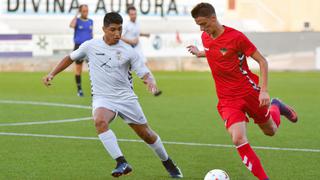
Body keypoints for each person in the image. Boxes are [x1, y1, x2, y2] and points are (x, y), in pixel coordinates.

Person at [43, 12, 182, 178]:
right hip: (103, 98)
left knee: (147, 135)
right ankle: (121, 162)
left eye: (120, 29)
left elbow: (144, 72)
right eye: (113, 29)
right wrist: (52, 74)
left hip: (126, 98)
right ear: (103, 29)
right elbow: (70, 57)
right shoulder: (90, 46)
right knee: (100, 121)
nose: (117, 33)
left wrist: (150, 81)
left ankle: (167, 162)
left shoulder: (128, 51)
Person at [187, 3, 298, 180]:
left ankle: (277, 106)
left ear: (213, 18)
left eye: (204, 24)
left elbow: (262, 61)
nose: (202, 29)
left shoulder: (236, 37)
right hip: (227, 100)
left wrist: (264, 91)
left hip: (249, 92)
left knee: (270, 130)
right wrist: (200, 52)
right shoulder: (205, 37)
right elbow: (215, 51)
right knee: (238, 139)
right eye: (199, 25)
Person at [69, 4, 93, 97]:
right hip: (78, 47)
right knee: (78, 69)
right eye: (83, 11)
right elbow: (71, 25)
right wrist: (76, 15)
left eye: (87, 11)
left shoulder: (91, 21)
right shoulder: (77, 21)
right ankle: (79, 90)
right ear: (80, 11)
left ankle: (94, 89)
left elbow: (91, 34)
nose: (85, 13)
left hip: (89, 47)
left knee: (92, 69)